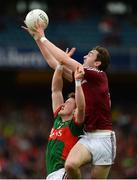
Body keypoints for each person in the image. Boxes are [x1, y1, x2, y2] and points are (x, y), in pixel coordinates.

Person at [22, 20, 116, 179]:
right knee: (71, 165)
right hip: (88, 136)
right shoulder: (83, 77)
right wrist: (37, 39)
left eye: (91, 54)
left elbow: (64, 60)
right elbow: (55, 64)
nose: (86, 55)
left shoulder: (98, 75)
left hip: (104, 138)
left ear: (98, 63)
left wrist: (43, 37)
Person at [46, 63, 85, 179]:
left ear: (74, 111)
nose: (63, 104)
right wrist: (59, 66)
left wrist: (78, 83)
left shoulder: (74, 125)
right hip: (51, 174)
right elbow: (56, 90)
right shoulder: (58, 119)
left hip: (62, 172)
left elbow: (81, 108)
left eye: (68, 103)